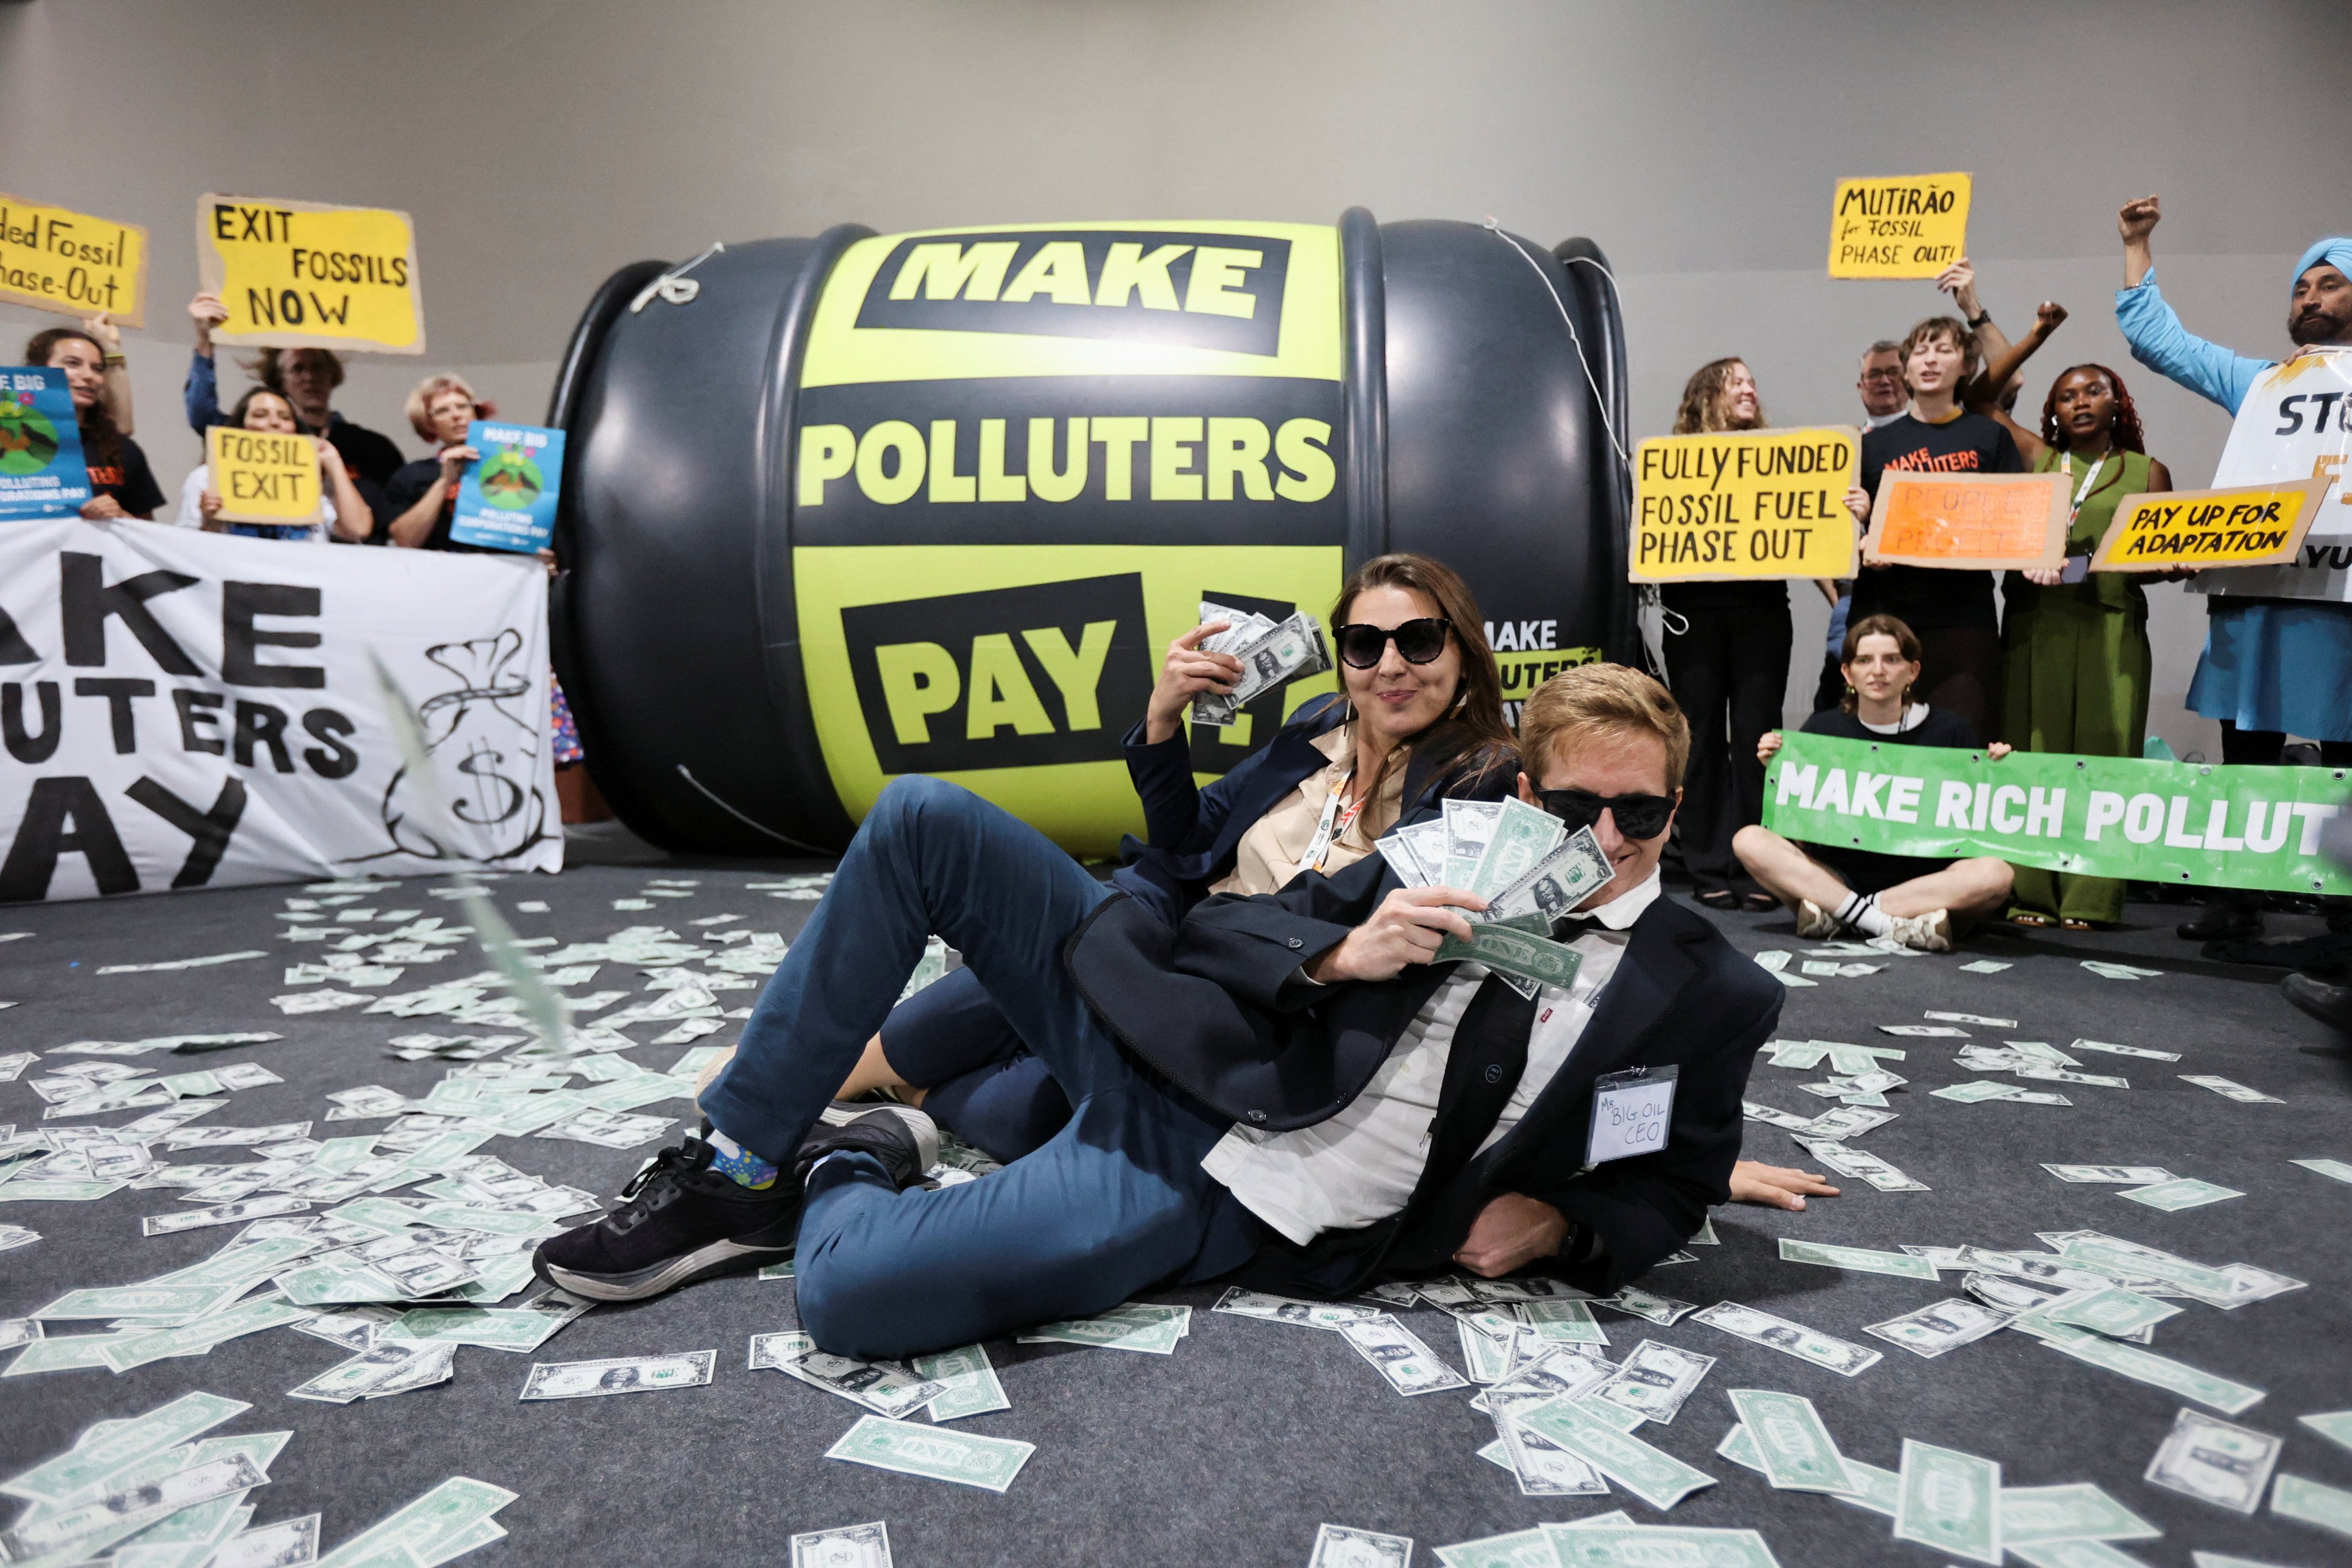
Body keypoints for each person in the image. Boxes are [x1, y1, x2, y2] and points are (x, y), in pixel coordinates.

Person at [535, 662, 1783, 1357]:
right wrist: (1337, 957)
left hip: (1216, 1178)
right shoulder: (1436, 851)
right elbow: (1218, 926)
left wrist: (1566, 1229)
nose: (1606, 842)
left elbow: (1668, 1181)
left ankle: (855, 1154)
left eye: (1642, 815)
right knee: (922, 817)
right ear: (1526, 791)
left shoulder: (1707, 989)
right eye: (1575, 812)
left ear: (1677, 809)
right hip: (1187, 1040)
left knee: (853, 1301)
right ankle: (736, 1163)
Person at [2114, 199, 2352, 943]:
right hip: (2251, 594)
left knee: (2342, 762)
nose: (2308, 297)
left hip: (2338, 598)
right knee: (2241, 754)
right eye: (2299, 288)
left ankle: (2344, 917)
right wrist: (2135, 243)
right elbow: (2158, 342)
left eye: (2327, 284)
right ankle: (2234, 899)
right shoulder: (2255, 381)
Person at [1964, 317, 2175, 929]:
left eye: (2093, 391)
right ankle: (2032, 892)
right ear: (2052, 410)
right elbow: (1979, 399)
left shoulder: (2148, 472)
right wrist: (2034, 336)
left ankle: (2091, 897)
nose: (2080, 401)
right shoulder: (2038, 456)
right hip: (2035, 627)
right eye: (2066, 394)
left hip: (2110, 628)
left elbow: (2153, 559)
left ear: (2117, 404)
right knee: (2033, 758)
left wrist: (2177, 568)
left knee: (2106, 762)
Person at [1733, 613, 2016, 951]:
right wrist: (1779, 772)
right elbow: (1798, 832)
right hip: (1838, 877)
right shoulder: (1823, 730)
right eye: (1864, 660)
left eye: (1892, 660)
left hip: (1927, 882)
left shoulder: (1951, 730)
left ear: (1913, 670)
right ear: (1847, 672)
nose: (1878, 670)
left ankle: (1843, 915)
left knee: (1997, 875)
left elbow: (1978, 829)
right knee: (1749, 840)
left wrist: (1999, 773)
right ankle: (1888, 924)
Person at [1841, 271, 2027, 741]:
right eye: (1919, 351)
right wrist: (1861, 530)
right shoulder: (1869, 446)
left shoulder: (1989, 437)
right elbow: (1844, 540)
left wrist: (1972, 303)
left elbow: (2015, 520)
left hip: (1963, 616)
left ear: (1965, 366)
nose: (1929, 360)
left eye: (1942, 350)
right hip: (1886, 613)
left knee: (1962, 738)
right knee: (1880, 742)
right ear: (1904, 370)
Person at [1656, 360, 1797, 913]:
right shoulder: (1671, 463)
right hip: (1693, 615)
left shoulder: (1780, 458)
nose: (1748, 388)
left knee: (1760, 739)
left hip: (1761, 611)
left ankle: (1758, 858)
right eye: (1734, 381)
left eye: (1751, 382)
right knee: (1701, 739)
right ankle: (1709, 862)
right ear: (1706, 395)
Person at [183, 291, 405, 530]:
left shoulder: (374, 447)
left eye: (318, 368)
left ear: (333, 375)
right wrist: (204, 337)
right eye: (298, 369)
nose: (310, 377)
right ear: (281, 381)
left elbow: (373, 524)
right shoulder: (247, 438)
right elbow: (202, 414)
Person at [1812, 341, 1912, 713]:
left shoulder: (1929, 443)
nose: (1884, 381)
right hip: (1853, 597)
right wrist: (1838, 598)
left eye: (1893, 372)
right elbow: (1810, 531)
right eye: (1874, 374)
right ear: (1860, 386)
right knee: (1836, 703)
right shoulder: (1842, 451)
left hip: (1917, 595)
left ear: (1909, 379)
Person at [171, 386, 373, 543]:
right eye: (260, 415)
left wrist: (334, 463)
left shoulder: (315, 480)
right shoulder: (206, 478)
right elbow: (188, 553)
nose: (275, 423)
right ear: (242, 426)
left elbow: (358, 530)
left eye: (285, 417)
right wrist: (210, 522)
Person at [22, 326, 164, 521]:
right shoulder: (11, 441)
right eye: (73, 364)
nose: (89, 376)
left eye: (97, 369)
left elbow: (149, 534)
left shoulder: (121, 449)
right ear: (40, 370)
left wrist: (119, 516)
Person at [384, 373, 499, 552]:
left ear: (476, 412)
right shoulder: (412, 476)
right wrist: (445, 481)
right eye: (443, 410)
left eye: (463, 406)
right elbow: (405, 540)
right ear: (429, 424)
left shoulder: (507, 466)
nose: (456, 415)